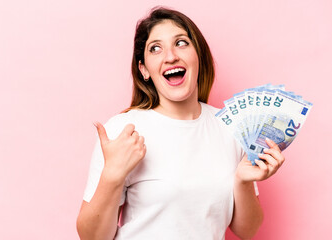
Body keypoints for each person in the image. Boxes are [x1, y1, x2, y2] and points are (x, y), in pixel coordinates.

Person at [77, 6, 285, 240]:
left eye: (181, 43)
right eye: (155, 48)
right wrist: (112, 176)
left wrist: (243, 181)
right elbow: (91, 237)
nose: (170, 56)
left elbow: (247, 231)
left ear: (198, 56)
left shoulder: (229, 127)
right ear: (144, 69)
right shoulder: (123, 130)